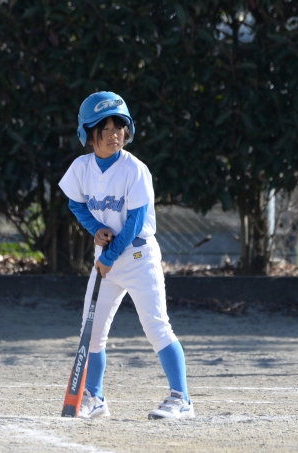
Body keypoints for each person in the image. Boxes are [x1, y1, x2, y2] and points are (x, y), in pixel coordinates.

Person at [58, 92, 194, 420]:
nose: (113, 133)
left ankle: (182, 400)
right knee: (92, 332)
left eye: (118, 126)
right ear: (88, 133)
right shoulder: (81, 168)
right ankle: (95, 398)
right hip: (106, 257)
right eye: (103, 128)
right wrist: (96, 228)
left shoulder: (135, 169)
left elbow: (134, 223)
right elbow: (76, 204)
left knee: (157, 326)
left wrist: (108, 258)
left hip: (138, 259)